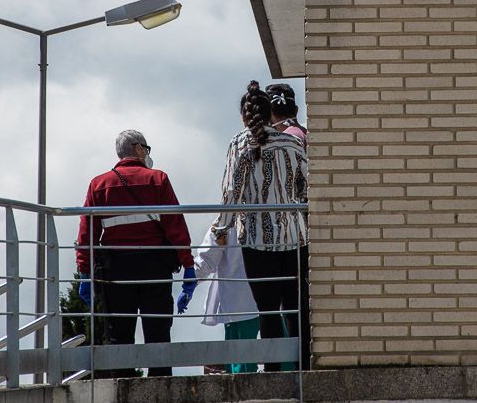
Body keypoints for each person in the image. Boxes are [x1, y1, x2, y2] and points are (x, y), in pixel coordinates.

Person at [75, 129, 196, 377]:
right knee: (158, 332)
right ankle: (161, 384)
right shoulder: (157, 179)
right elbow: (175, 227)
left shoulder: (99, 185)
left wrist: (85, 272)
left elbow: (86, 233)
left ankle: (122, 387)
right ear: (139, 150)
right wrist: (188, 265)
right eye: (146, 149)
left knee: (119, 336)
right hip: (155, 267)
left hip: (116, 270)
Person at [212, 81, 310, 371]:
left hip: (257, 241)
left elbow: (231, 193)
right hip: (295, 238)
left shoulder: (239, 144)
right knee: (296, 309)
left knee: (267, 311)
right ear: (271, 114)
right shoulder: (291, 143)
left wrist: (221, 230)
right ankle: (303, 365)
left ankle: (274, 368)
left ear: (244, 116)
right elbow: (306, 187)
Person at [194, 223, 260, 374]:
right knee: (277, 352)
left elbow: (207, 260)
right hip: (265, 299)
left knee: (241, 365)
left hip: (238, 303)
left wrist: (189, 282)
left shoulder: (225, 221)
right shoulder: (270, 215)